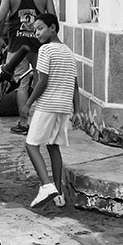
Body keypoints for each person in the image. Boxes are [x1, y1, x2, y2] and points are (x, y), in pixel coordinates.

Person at [0, 0, 56, 134]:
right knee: (41, 81)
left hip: (17, 46)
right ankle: (43, 122)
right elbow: (52, 18)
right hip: (39, 45)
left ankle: (24, 122)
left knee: (21, 83)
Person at [23, 12, 77, 209]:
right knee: (53, 146)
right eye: (35, 30)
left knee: (31, 145)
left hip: (47, 105)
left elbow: (42, 81)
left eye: (40, 28)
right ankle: (59, 195)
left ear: (53, 28)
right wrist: (77, 110)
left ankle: (46, 185)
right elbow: (75, 84)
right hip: (63, 107)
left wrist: (28, 104)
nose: (36, 33)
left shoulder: (46, 50)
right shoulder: (69, 52)